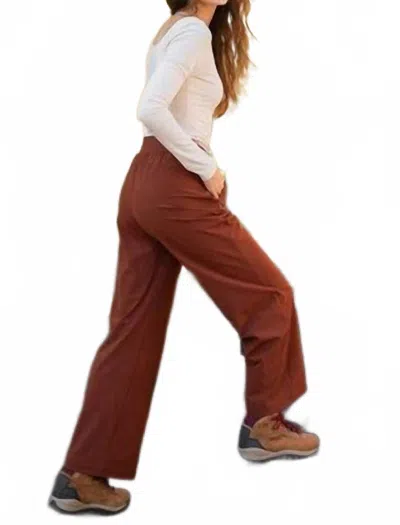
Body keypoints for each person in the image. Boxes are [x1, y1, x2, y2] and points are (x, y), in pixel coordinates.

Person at [48, 0, 320, 515]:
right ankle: (264, 424)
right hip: (173, 184)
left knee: (131, 333)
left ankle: (81, 476)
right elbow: (150, 107)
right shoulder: (192, 33)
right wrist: (207, 168)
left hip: (143, 183)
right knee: (270, 294)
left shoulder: (172, 31)